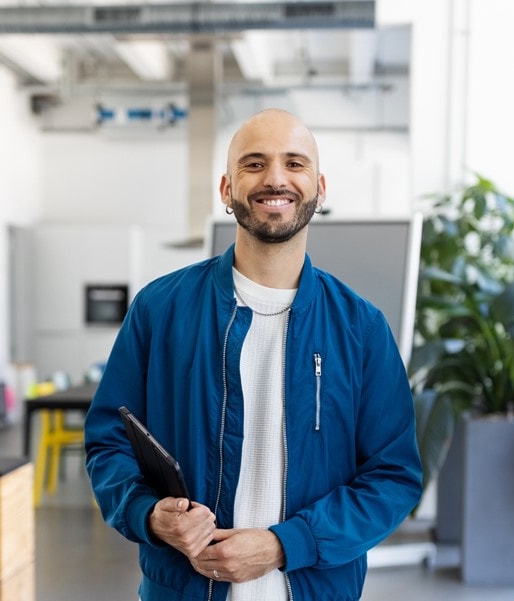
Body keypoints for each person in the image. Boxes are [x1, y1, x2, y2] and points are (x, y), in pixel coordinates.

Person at [84, 108, 423, 601]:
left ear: (320, 187)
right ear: (226, 189)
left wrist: (282, 545)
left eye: (295, 163)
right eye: (254, 163)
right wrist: (148, 515)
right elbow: (108, 443)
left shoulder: (361, 328)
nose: (276, 179)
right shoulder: (160, 311)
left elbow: (392, 478)